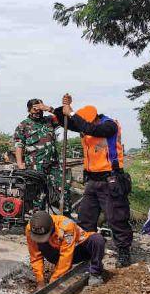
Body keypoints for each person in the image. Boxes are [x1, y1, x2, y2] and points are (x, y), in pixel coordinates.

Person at [47, 95, 133, 268]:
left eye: (87, 124)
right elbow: (70, 123)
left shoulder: (109, 126)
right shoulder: (87, 125)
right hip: (92, 181)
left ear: (95, 119)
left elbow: (87, 127)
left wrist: (71, 112)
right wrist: (56, 109)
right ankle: (88, 249)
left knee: (116, 218)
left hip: (110, 180)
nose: (84, 129)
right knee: (86, 218)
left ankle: (124, 251)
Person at [13, 98, 72, 213]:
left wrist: (48, 108)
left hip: (53, 164)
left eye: (40, 109)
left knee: (63, 189)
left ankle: (63, 218)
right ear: (28, 110)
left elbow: (66, 116)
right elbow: (19, 145)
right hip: (35, 166)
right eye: (35, 109)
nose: (38, 111)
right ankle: (38, 221)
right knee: (38, 195)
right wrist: (20, 163)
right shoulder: (23, 125)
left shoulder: (49, 121)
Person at [26, 210, 106, 287]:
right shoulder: (31, 228)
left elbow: (66, 257)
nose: (41, 239)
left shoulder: (66, 226)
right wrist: (40, 281)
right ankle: (61, 272)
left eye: (44, 237)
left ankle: (95, 272)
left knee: (97, 240)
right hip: (56, 251)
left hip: (78, 249)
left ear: (52, 227)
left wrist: (53, 282)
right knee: (44, 246)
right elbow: (35, 256)